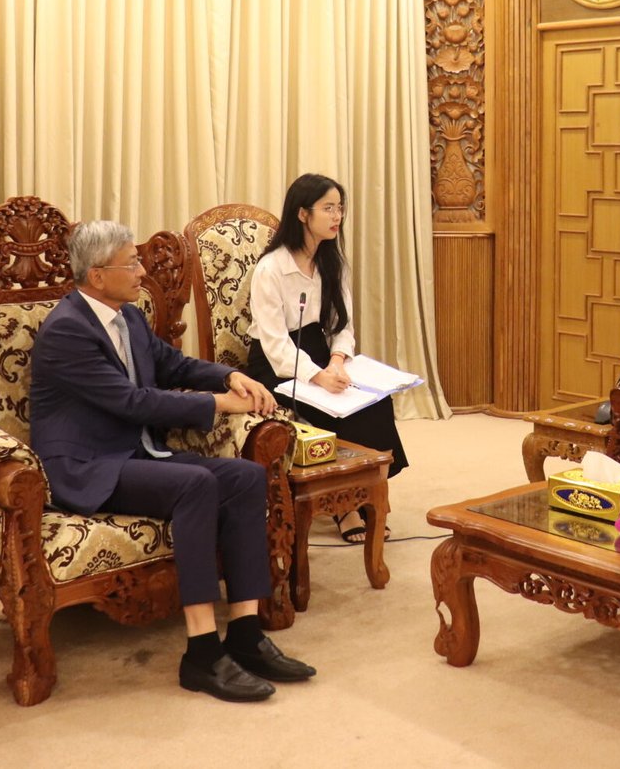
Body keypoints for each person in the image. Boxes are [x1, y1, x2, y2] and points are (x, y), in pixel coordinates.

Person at [30, 220, 316, 703]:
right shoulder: (66, 331)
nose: (142, 270)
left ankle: (245, 634)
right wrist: (217, 406)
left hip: (135, 453)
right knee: (196, 485)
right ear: (97, 276)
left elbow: (175, 366)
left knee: (247, 478)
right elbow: (131, 402)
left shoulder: (129, 317)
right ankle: (202, 652)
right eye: (132, 262)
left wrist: (229, 379)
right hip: (87, 467)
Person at [246, 173, 409, 542]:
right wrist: (317, 376)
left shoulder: (332, 263)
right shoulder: (271, 268)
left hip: (321, 353)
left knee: (373, 405)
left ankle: (371, 494)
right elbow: (274, 345)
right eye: (328, 208)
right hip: (275, 364)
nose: (338, 216)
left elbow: (341, 325)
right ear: (303, 214)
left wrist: (337, 361)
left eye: (340, 208)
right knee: (331, 409)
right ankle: (344, 506)